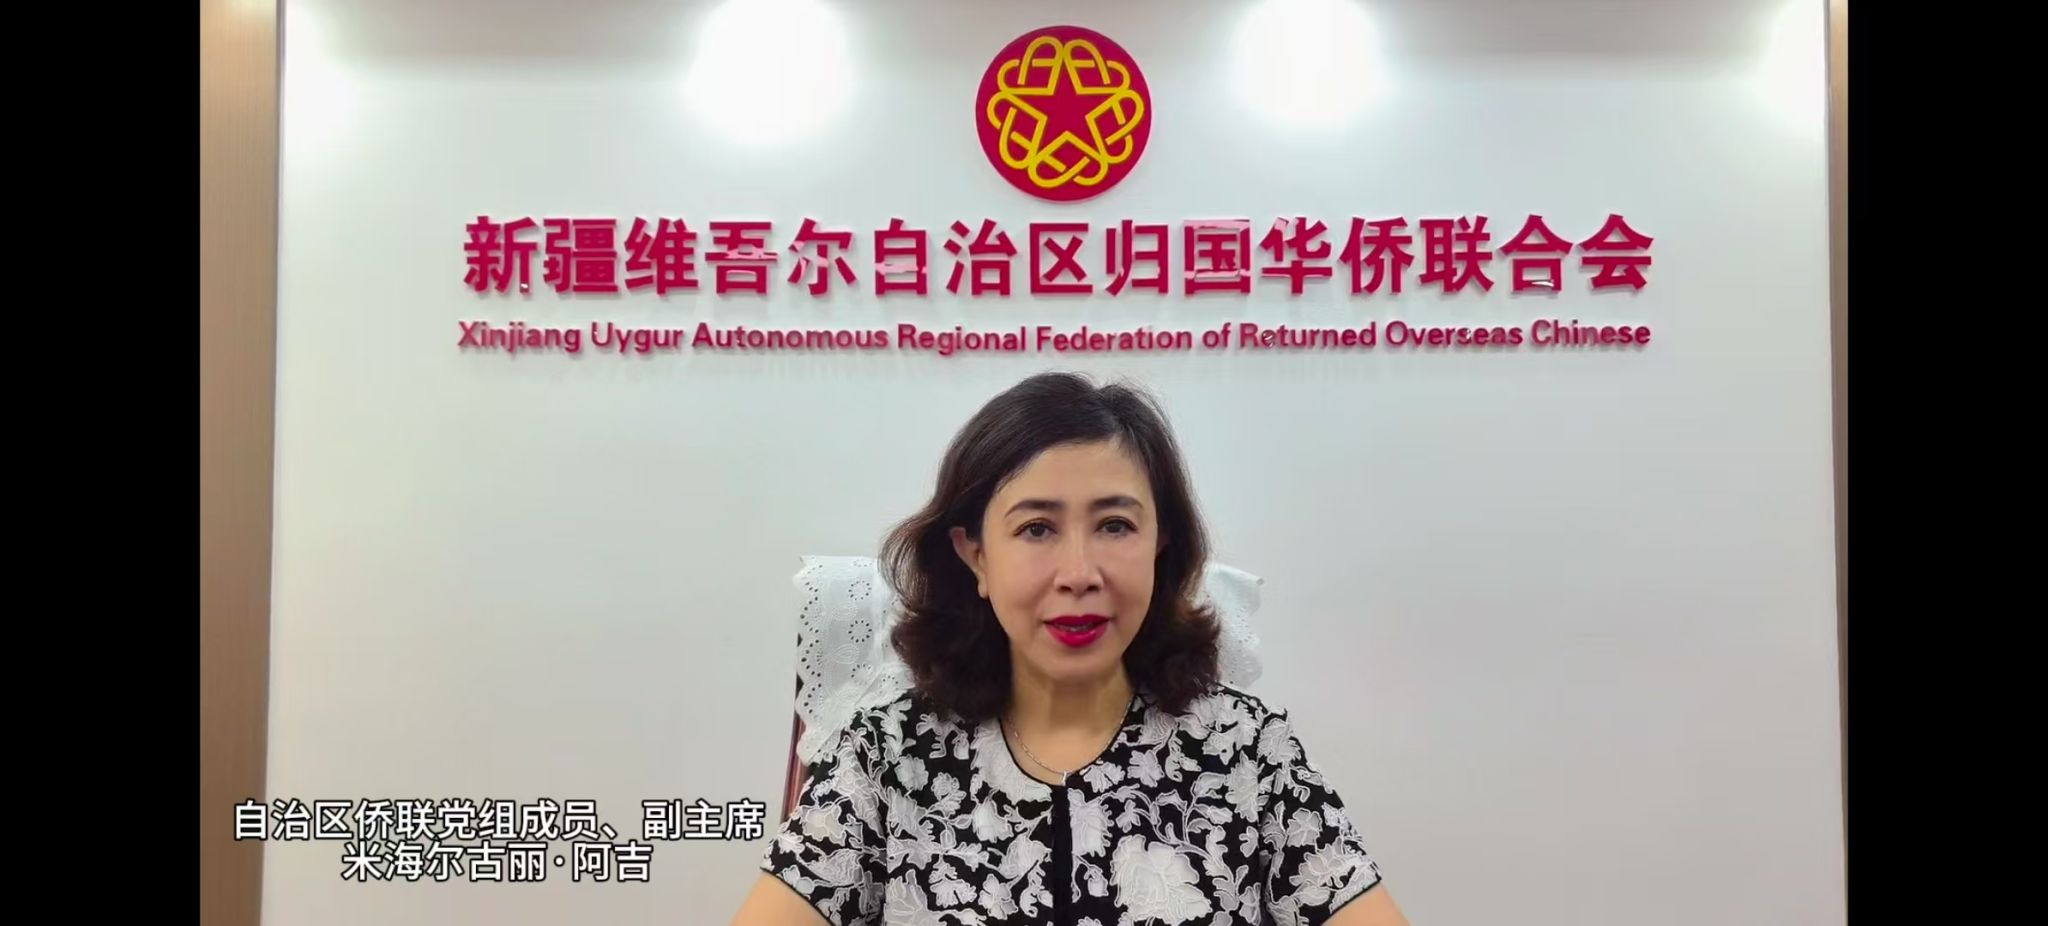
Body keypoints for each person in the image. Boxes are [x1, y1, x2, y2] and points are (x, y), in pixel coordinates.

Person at [730, 372, 1410, 926]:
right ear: (976, 555)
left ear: (1161, 544)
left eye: (1115, 525)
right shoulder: (888, 759)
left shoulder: (1248, 752)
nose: (1080, 573)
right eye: (1036, 529)